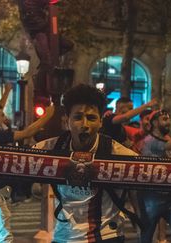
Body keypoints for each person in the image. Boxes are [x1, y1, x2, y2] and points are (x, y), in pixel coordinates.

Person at [33, 84, 138, 243]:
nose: (85, 125)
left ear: (101, 121)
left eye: (91, 118)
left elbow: (142, 176)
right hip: (64, 235)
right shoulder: (52, 148)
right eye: (77, 117)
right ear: (67, 120)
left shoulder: (117, 152)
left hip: (106, 236)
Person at [0, 103, 54, 243]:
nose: (5, 118)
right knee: (5, 237)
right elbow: (27, 132)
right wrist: (47, 115)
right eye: (2, 115)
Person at [137, 109, 171, 243]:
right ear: (154, 122)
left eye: (169, 119)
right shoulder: (150, 141)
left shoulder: (164, 139)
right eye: (164, 119)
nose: (169, 122)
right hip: (151, 198)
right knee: (146, 237)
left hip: (169, 197)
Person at [17, 0, 73, 101]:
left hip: (45, 28)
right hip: (39, 28)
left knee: (67, 45)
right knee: (46, 61)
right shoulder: (37, 31)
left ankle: (43, 85)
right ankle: (41, 89)